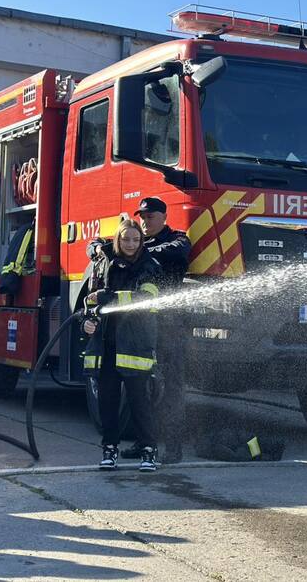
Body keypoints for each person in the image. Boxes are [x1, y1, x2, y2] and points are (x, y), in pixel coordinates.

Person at [88, 197, 191, 463]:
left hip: (168, 324)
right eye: (142, 217)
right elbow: (95, 244)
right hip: (138, 327)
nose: (145, 221)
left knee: (171, 386)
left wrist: (136, 251)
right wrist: (103, 249)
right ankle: (143, 443)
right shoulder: (132, 243)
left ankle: (173, 448)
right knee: (141, 388)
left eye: (151, 216)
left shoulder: (177, 240)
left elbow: (177, 253)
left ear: (164, 217)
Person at [84, 219, 161, 472]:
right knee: (107, 402)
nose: (130, 244)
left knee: (140, 402)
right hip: (106, 345)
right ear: (117, 239)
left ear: (141, 241)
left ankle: (148, 451)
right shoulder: (104, 263)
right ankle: (109, 450)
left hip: (134, 346)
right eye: (126, 239)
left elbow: (147, 300)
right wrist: (88, 321)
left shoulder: (149, 266)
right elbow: (91, 298)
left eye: (135, 240)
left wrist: (111, 297)